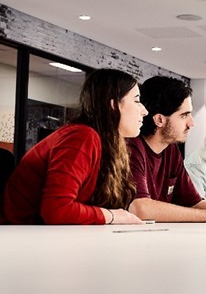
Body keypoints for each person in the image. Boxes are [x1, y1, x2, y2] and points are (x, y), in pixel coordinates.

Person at [1, 69, 145, 225]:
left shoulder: (104, 142)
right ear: (114, 105)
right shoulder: (82, 136)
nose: (144, 111)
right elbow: (57, 210)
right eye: (137, 100)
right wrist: (112, 216)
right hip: (17, 238)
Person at [127, 76, 206, 223]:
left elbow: (193, 202)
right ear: (159, 120)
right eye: (184, 115)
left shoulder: (170, 149)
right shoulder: (132, 147)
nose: (192, 123)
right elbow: (140, 208)